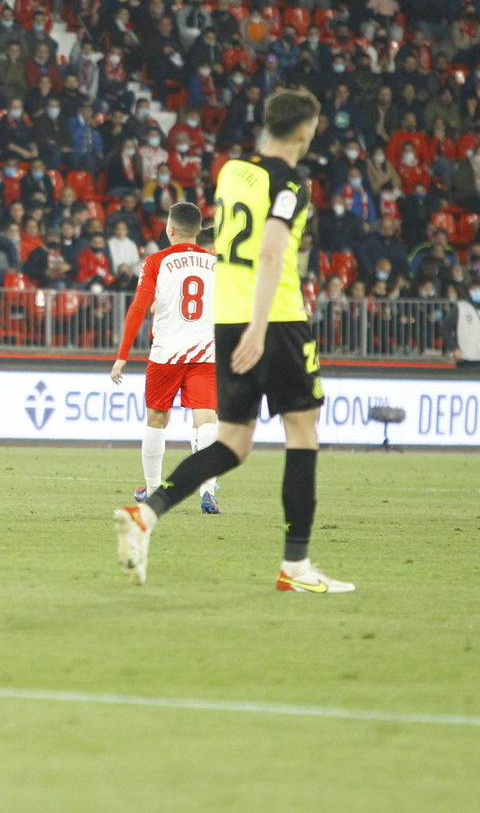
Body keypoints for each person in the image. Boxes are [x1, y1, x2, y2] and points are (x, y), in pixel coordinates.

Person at [114, 88, 354, 594]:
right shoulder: (290, 183)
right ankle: (296, 566)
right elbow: (270, 254)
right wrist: (262, 327)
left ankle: (148, 514)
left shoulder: (230, 172)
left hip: (226, 322)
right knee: (303, 432)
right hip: (277, 320)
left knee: (234, 442)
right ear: (306, 131)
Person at [109, 204, 221, 514]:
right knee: (206, 419)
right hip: (205, 353)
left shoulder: (156, 261)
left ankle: (154, 490)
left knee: (157, 419)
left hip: (166, 354)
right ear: (199, 231)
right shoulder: (216, 264)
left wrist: (122, 356)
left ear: (169, 230)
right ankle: (207, 489)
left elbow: (138, 309)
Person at [448, 276, 480, 368]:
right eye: (476, 289)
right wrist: (454, 348)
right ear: (470, 291)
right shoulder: (461, 308)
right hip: (466, 358)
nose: (479, 291)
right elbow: (445, 328)